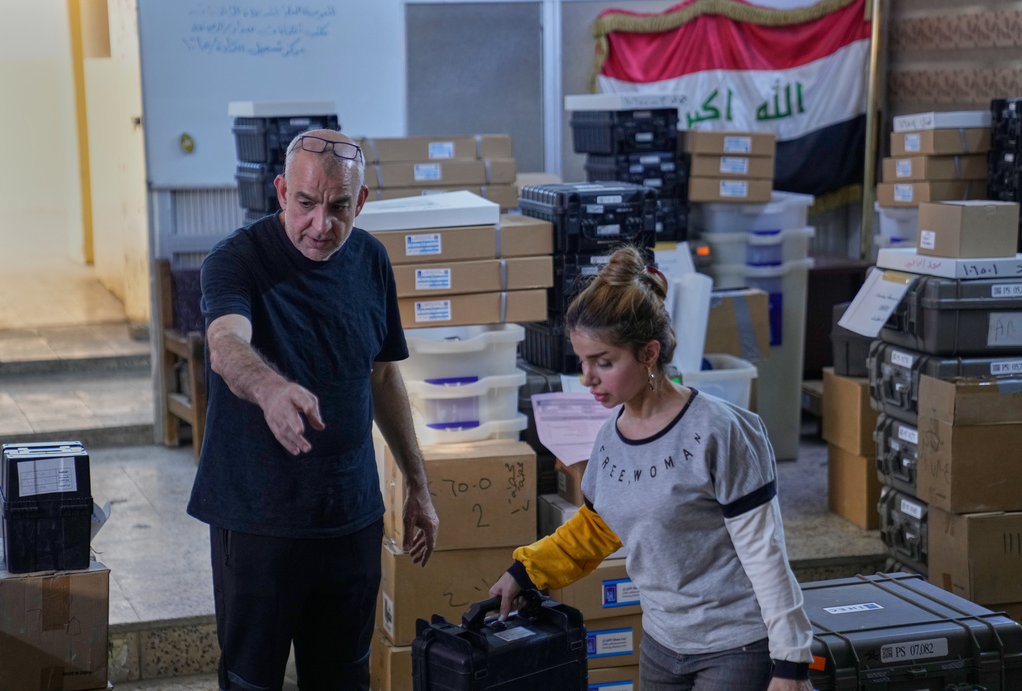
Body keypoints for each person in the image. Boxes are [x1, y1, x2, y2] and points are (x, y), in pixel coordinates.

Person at [489, 246, 813, 691]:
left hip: (736, 645)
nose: (588, 378)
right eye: (582, 362)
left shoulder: (720, 430)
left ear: (649, 353)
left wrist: (791, 662)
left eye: (604, 362)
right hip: (661, 645)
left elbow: (765, 552)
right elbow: (600, 528)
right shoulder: (609, 439)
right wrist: (525, 571)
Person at [187, 129, 439, 691]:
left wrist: (418, 486)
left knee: (344, 679)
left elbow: (381, 374)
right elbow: (226, 343)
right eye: (305, 204)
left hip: (350, 519)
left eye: (338, 207)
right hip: (258, 521)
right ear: (281, 192)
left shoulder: (371, 259)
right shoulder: (236, 261)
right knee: (252, 681)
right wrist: (272, 390)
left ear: (362, 202)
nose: (321, 224)